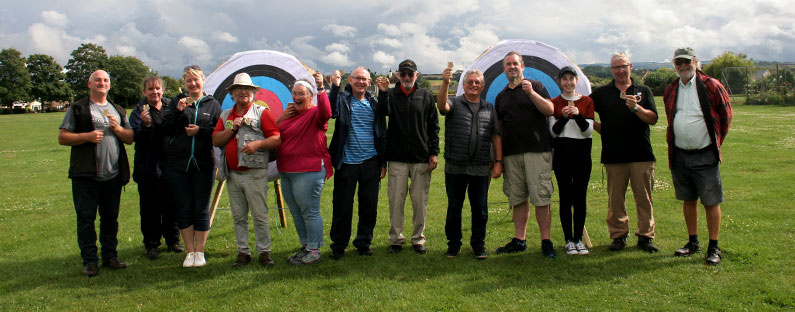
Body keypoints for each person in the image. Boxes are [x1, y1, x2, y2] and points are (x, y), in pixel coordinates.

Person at [58, 70, 133, 277]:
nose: (102, 83)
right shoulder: (78, 108)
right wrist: (87, 136)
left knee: (110, 219)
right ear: (89, 84)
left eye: (106, 80)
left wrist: (118, 129)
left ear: (109, 85)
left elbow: (129, 137)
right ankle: (90, 261)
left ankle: (110, 257)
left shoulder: (117, 109)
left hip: (113, 175)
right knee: (86, 219)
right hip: (86, 175)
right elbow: (63, 137)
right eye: (98, 80)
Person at [663, 47, 732, 265]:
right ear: (674, 65)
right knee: (688, 199)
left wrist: (715, 142)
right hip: (680, 154)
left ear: (695, 62)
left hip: (705, 154)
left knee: (711, 201)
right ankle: (692, 242)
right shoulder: (672, 88)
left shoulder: (711, 85)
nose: (683, 66)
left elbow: (725, 115)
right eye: (678, 63)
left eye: (686, 62)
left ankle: (714, 247)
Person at [591, 53, 659, 253]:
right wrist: (596, 126)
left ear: (631, 67)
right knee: (615, 200)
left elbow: (653, 119)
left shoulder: (643, 90)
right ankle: (619, 235)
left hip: (641, 154)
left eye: (623, 66)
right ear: (611, 70)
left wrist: (636, 108)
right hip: (614, 155)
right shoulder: (601, 93)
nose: (620, 70)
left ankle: (646, 236)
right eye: (616, 67)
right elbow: (585, 110)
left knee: (644, 198)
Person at [212, 73, 281, 267]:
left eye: (247, 89)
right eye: (239, 89)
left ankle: (264, 252)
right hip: (233, 175)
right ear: (232, 94)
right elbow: (215, 140)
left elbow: (276, 139)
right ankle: (243, 252)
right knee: (238, 216)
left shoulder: (262, 113)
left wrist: (258, 144)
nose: (243, 92)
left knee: (260, 215)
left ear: (253, 93)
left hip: (255, 173)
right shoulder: (226, 115)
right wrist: (232, 130)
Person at [494, 51, 557, 258]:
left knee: (541, 198)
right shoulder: (501, 96)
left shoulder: (536, 87)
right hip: (512, 155)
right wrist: (499, 159)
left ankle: (546, 241)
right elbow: (499, 130)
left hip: (537, 152)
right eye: (508, 64)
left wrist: (531, 93)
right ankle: (519, 240)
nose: (512, 67)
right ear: (504, 69)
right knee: (518, 198)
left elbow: (549, 110)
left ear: (522, 67)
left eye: (515, 63)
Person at [374, 59, 440, 254]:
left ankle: (418, 239)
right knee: (396, 201)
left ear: (416, 75)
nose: (406, 77)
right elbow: (382, 113)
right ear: (398, 76)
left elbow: (434, 127)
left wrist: (434, 153)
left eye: (410, 74)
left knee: (420, 202)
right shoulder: (391, 95)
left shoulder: (426, 96)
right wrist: (384, 92)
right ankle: (395, 238)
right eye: (403, 74)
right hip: (397, 157)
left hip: (421, 158)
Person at [437, 67, 502, 259]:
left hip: (481, 167)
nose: (473, 85)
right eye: (470, 82)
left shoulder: (489, 108)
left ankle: (478, 245)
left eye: (477, 82)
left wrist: (498, 161)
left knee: (480, 209)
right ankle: (453, 245)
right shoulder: (454, 103)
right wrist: (446, 83)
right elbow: (442, 106)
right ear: (464, 85)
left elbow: (496, 136)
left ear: (482, 86)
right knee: (454, 208)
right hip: (455, 166)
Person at [162, 65, 222, 267]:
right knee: (184, 207)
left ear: (203, 81)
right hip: (178, 165)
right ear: (185, 83)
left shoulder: (212, 104)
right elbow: (166, 128)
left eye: (196, 80)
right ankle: (189, 252)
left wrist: (201, 131)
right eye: (189, 80)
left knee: (201, 208)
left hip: (203, 164)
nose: (193, 84)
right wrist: (178, 113)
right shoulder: (175, 102)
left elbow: (218, 131)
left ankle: (200, 251)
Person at [327, 67, 387, 260]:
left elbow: (384, 125)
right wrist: (335, 87)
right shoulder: (343, 100)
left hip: (371, 161)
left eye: (365, 79)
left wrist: (382, 162)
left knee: (369, 205)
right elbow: (332, 111)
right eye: (357, 79)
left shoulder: (374, 102)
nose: (361, 82)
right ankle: (339, 245)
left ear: (370, 83)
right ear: (350, 81)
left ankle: (363, 242)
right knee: (342, 205)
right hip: (347, 162)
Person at [276, 72, 333, 265]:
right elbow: (273, 132)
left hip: (308, 171)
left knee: (309, 211)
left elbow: (326, 112)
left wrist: (321, 88)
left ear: (310, 96)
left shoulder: (316, 114)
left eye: (301, 93)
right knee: (296, 211)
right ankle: (306, 246)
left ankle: (314, 250)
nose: (297, 97)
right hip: (286, 171)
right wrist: (282, 117)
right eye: (294, 93)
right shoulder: (290, 114)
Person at [129, 76, 183, 260]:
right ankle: (151, 244)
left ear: (163, 90)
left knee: (171, 206)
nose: (155, 92)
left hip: (170, 166)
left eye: (158, 88)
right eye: (150, 89)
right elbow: (137, 138)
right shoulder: (138, 111)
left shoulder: (170, 106)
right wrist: (145, 126)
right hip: (148, 167)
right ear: (144, 91)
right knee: (150, 208)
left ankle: (173, 240)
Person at [549, 66, 594, 256]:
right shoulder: (555, 102)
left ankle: (578, 239)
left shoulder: (587, 101)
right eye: (564, 79)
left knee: (580, 197)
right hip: (562, 156)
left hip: (582, 155)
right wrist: (565, 117)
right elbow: (553, 132)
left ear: (577, 81)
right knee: (566, 198)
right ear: (560, 81)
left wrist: (578, 114)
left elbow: (588, 131)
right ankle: (568, 240)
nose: (568, 83)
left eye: (571, 79)